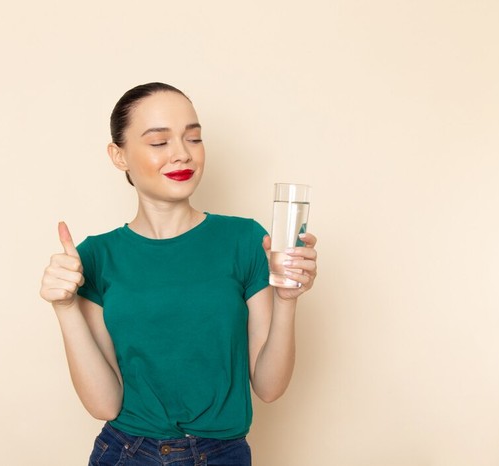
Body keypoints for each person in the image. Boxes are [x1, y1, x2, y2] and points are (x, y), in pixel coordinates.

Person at [39, 82, 318, 466]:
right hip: (126, 453)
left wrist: (287, 300)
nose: (183, 154)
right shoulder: (95, 257)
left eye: (194, 138)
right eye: (159, 142)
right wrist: (65, 308)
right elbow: (104, 405)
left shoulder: (245, 240)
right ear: (119, 156)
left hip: (223, 454)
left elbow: (269, 388)